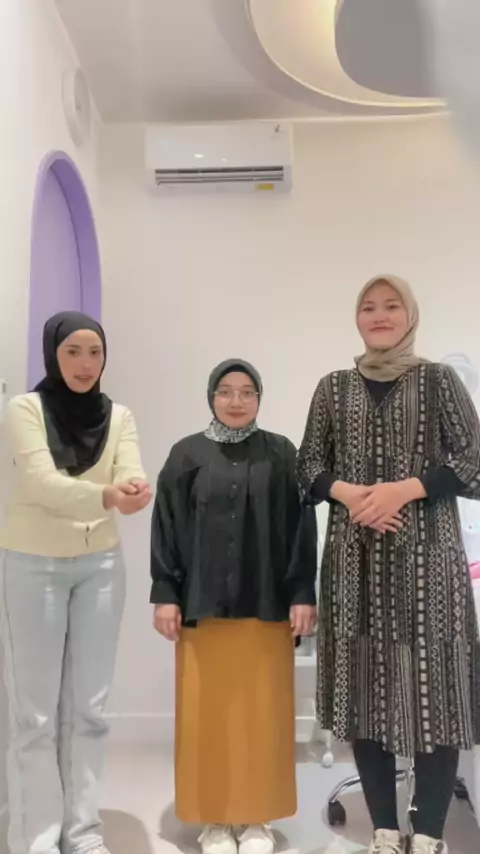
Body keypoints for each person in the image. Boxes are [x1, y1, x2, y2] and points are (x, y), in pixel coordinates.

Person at [297, 276, 480, 854]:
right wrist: (350, 495)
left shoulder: (439, 381)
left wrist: (404, 489)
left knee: (436, 693)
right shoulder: (333, 388)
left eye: (391, 305)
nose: (379, 315)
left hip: (429, 563)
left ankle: (427, 834)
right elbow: (307, 468)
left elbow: (474, 462)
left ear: (410, 315)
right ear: (357, 318)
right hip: (354, 564)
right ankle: (383, 828)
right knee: (364, 691)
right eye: (368, 307)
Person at [150, 359, 317, 854]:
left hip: (267, 607)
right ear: (211, 397)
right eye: (226, 391)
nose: (237, 401)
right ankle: (215, 820)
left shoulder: (281, 453)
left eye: (247, 391)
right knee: (207, 716)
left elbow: (301, 527)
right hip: (202, 608)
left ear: (259, 397)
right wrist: (165, 593)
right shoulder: (186, 454)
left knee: (262, 716)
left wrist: (302, 593)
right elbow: (166, 525)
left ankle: (257, 818)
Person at [0, 312, 152, 854]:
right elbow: (41, 484)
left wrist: (134, 487)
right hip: (32, 565)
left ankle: (83, 832)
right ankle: (36, 838)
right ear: (53, 355)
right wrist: (109, 496)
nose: (86, 364)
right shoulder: (25, 409)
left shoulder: (119, 415)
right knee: (35, 715)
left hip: (100, 567)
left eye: (95, 352)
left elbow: (129, 469)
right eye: (72, 352)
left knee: (90, 710)